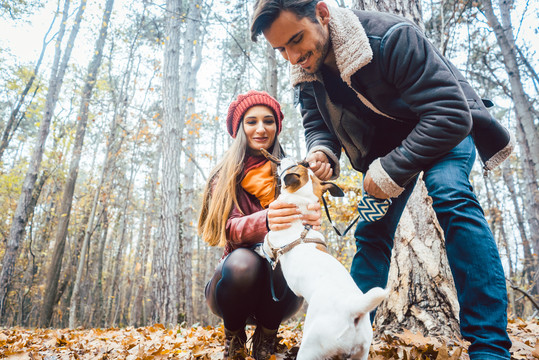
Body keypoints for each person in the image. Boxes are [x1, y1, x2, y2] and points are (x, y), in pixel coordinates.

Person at [250, 1, 514, 359]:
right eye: (281, 49)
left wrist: (390, 169)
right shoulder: (306, 71)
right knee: (371, 233)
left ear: (322, 14)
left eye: (296, 39)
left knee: (449, 194)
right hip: (386, 150)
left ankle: (490, 348)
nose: (293, 57)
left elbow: (450, 113)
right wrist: (322, 153)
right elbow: (316, 122)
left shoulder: (391, 36)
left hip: (443, 128)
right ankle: (347, 331)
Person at [198, 90, 320, 360]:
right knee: (244, 262)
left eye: (268, 121)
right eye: (251, 121)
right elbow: (225, 228)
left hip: (280, 288)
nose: (261, 128)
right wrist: (266, 220)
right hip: (233, 283)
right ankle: (235, 338)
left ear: (277, 126)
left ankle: (267, 338)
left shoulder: (293, 171)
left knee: (289, 260)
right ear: (240, 127)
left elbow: (307, 230)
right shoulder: (225, 174)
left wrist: (311, 222)